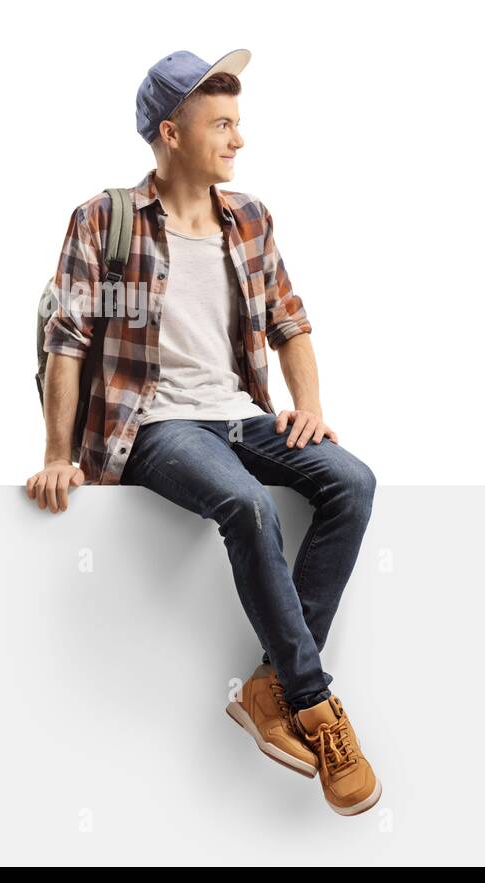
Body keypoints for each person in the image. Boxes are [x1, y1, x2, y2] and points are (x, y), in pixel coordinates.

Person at [26, 48, 380, 816]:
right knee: (247, 506)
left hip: (239, 413)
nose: (238, 139)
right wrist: (57, 455)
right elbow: (67, 340)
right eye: (221, 124)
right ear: (171, 132)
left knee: (351, 481)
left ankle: (267, 688)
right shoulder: (104, 218)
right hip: (152, 423)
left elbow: (291, 320)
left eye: (239, 123)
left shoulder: (248, 217)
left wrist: (308, 405)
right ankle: (315, 706)